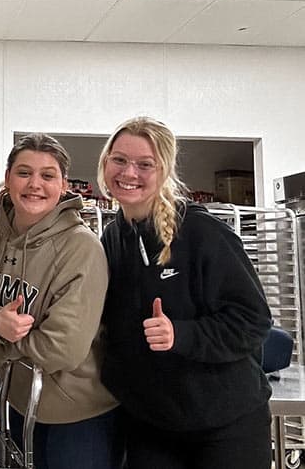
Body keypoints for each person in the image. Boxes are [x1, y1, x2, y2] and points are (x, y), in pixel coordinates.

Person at [97, 116, 272, 469]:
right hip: (152, 426)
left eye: (145, 164)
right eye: (119, 160)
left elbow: (254, 321)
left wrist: (182, 334)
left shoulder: (201, 233)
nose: (129, 173)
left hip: (226, 425)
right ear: (105, 163)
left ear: (164, 171)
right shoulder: (113, 238)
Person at [0, 133, 121, 469]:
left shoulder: (81, 248)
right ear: (8, 177)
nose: (34, 184)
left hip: (79, 418)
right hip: (20, 403)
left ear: (64, 185)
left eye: (48, 175)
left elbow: (62, 348)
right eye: (24, 173)